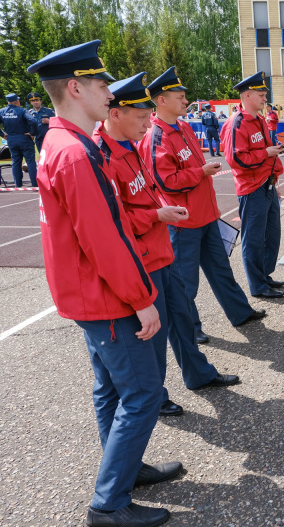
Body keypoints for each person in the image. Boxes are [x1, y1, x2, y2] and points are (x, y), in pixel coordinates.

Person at [28, 39, 178, 527]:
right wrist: (143, 299)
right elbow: (105, 238)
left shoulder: (62, 143)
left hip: (88, 294)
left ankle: (125, 471)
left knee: (110, 390)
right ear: (75, 87)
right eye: (99, 84)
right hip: (105, 295)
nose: (108, 93)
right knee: (143, 394)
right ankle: (109, 503)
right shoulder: (75, 152)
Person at [94, 72, 241, 419]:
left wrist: (158, 214)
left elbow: (145, 194)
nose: (148, 125)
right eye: (142, 117)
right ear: (117, 114)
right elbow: (110, 224)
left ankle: (198, 373)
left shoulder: (129, 146)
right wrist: (157, 215)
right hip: (143, 258)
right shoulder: (103, 158)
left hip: (161, 251)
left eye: (148, 117)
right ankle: (153, 396)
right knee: (152, 336)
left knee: (180, 317)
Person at [140, 66, 266, 345]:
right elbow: (165, 181)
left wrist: (201, 172)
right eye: (179, 96)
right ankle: (190, 328)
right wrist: (201, 172)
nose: (186, 101)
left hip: (206, 215)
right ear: (161, 100)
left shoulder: (183, 126)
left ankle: (240, 312)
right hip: (184, 223)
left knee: (221, 269)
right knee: (186, 283)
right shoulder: (156, 136)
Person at [221, 72, 284, 300]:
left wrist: (274, 168)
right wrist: (266, 153)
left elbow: (263, 154)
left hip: (267, 185)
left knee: (272, 235)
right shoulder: (236, 123)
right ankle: (257, 285)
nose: (264, 98)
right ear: (246, 95)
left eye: (265, 94)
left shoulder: (259, 120)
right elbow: (236, 159)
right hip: (252, 189)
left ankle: (264, 275)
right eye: (260, 94)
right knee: (254, 239)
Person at [0, 93, 38, 187]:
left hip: (11, 139)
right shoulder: (22, 111)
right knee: (30, 162)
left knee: (16, 162)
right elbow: (32, 121)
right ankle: (35, 184)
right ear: (17, 101)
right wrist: (32, 133)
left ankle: (18, 185)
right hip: (24, 138)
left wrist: (2, 134)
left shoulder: (2, 111)